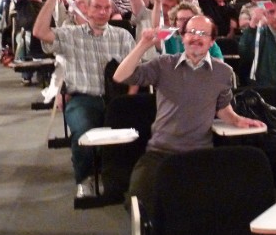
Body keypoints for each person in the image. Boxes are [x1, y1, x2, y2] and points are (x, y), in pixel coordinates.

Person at [113, 15, 264, 211]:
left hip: (199, 153)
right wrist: (143, 45)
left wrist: (237, 119)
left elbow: (222, 108)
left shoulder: (223, 72)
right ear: (182, 37)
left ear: (212, 41)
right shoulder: (163, 64)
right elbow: (120, 76)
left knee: (208, 206)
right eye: (191, 32)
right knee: (139, 204)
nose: (196, 37)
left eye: (203, 34)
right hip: (160, 152)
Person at [33, 0, 136, 199]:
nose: (102, 12)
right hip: (82, 98)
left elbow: (135, 72)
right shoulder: (71, 35)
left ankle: (119, 176)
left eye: (106, 8)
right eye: (97, 7)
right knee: (83, 132)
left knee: (133, 131)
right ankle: (84, 178)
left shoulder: (123, 36)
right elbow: (40, 32)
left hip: (116, 99)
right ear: (86, 9)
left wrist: (130, 100)